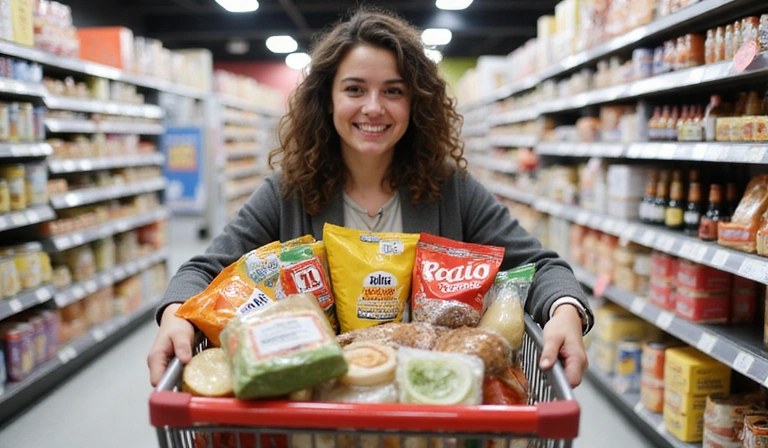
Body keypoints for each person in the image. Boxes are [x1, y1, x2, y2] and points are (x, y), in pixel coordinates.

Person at [147, 7, 593, 388]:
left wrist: (566, 310)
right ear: (327, 99)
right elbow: (203, 270)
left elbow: (543, 267)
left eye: (393, 91)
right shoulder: (289, 192)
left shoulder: (449, 189)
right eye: (355, 89)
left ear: (415, 103)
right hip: (317, 400)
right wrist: (175, 314)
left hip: (426, 403)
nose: (373, 107)